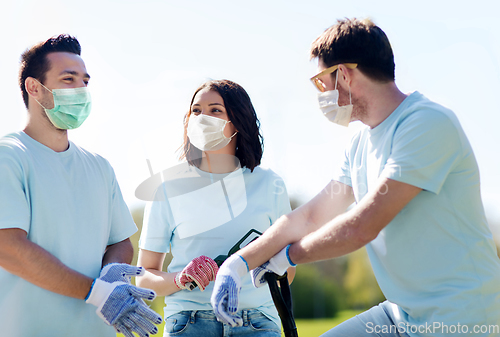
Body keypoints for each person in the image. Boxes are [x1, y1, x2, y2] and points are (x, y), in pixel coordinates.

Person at [211, 18, 500, 337]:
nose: (320, 93)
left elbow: (362, 226)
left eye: (321, 81)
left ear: (345, 75)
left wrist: (290, 256)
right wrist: (237, 264)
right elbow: (308, 217)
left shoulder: (427, 123)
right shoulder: (360, 143)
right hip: (401, 314)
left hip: (462, 316)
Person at [0, 34, 162, 337]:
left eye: (85, 81)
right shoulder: (8, 157)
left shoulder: (99, 167)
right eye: (68, 79)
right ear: (34, 88)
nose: (81, 90)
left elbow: (120, 242)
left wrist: (113, 273)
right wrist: (96, 293)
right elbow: (7, 247)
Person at [136, 79, 294, 336]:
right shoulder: (167, 187)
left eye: (215, 110)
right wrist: (180, 279)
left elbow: (289, 270)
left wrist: (247, 265)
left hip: (257, 323)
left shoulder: (270, 184)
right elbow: (144, 276)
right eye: (196, 111)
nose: (202, 118)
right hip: (188, 323)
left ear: (237, 121)